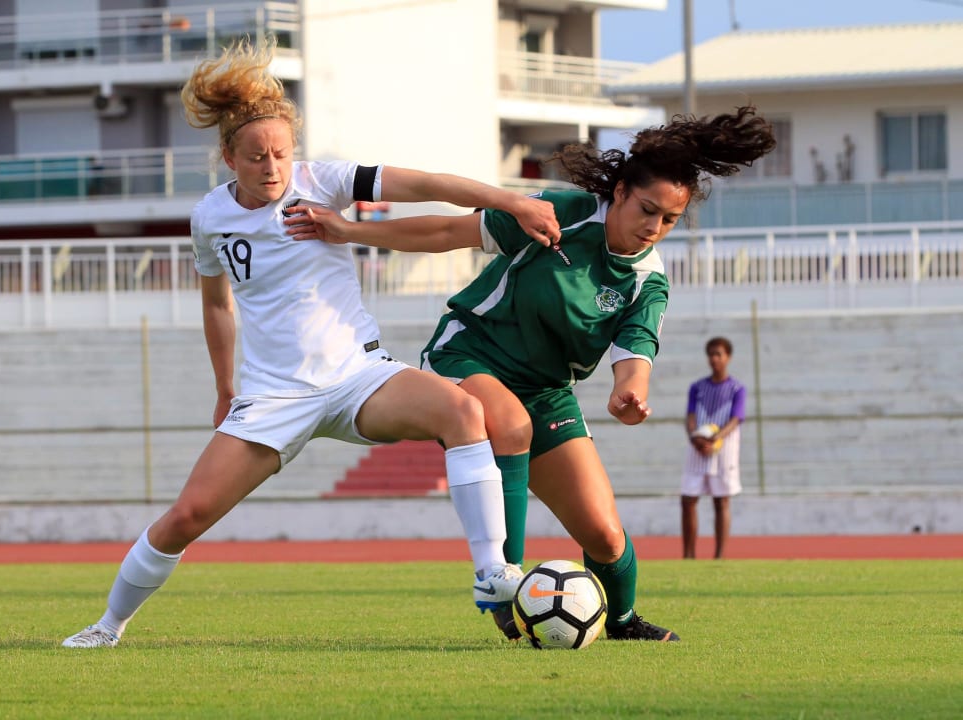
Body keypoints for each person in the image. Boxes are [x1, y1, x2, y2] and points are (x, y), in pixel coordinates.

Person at [61, 38, 562, 648]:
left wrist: (510, 199)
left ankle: (491, 572)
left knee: (464, 411)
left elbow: (425, 181)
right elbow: (217, 304)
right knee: (185, 518)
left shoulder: (322, 181)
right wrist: (225, 387)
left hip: (358, 376)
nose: (271, 167)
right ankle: (107, 626)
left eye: (279, 153)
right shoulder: (209, 218)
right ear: (228, 157)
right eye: (256, 157)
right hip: (274, 397)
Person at [286, 106, 777, 642]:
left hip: (546, 391)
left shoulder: (648, 280)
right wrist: (348, 230)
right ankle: (504, 582)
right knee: (510, 426)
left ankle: (621, 620)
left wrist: (629, 394)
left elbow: (636, 352)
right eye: (647, 210)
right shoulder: (561, 214)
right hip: (468, 354)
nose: (653, 229)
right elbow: (450, 230)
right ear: (618, 193)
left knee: (605, 536)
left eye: (669, 220)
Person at [681, 336, 746, 560]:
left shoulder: (737, 388)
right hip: (697, 448)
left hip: (723, 449)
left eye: (718, 354)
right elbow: (690, 416)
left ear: (728, 357)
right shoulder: (697, 387)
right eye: (711, 354)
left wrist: (715, 439)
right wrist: (695, 437)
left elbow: (736, 418)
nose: (714, 359)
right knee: (688, 499)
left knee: (721, 500)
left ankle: (720, 556)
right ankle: (688, 556)